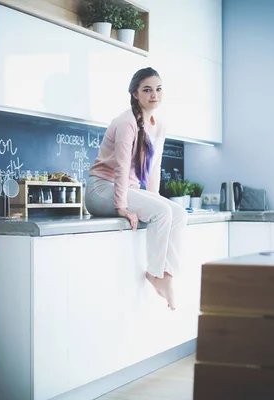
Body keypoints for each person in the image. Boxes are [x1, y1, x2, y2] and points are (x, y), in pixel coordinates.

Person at [85, 67, 188, 310]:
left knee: (179, 214)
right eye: (147, 90)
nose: (154, 94)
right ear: (135, 94)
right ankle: (154, 274)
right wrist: (121, 206)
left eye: (159, 89)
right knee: (163, 213)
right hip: (100, 190)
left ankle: (167, 275)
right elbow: (121, 166)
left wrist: (154, 199)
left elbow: (154, 168)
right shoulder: (126, 122)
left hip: (126, 189)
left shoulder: (158, 125)